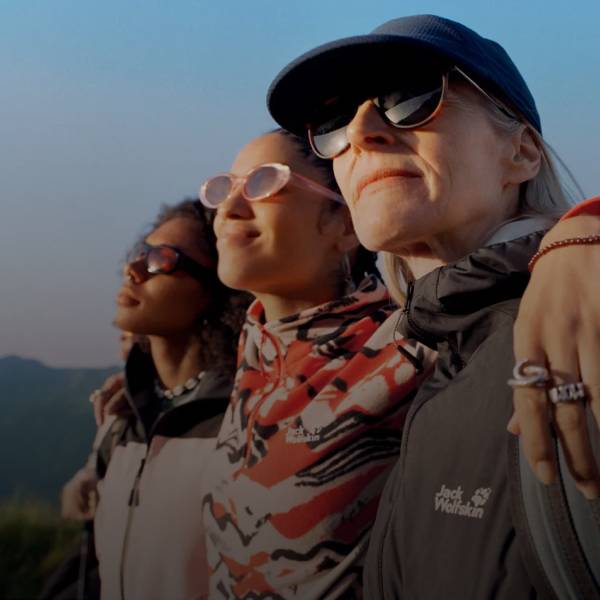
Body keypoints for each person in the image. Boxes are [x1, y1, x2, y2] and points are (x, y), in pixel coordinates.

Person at [267, 14, 600, 598]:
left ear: (522, 152)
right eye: (333, 123)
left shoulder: (578, 324)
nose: (361, 131)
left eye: (410, 97)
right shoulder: (436, 355)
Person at [198, 129, 434, 598]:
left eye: (264, 182)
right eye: (225, 187)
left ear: (345, 224)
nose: (230, 209)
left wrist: (573, 241)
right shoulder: (255, 351)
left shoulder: (408, 347)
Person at [93, 199, 249, 600]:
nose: (133, 269)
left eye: (160, 260)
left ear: (212, 291)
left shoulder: (241, 423)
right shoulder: (121, 418)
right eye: (140, 253)